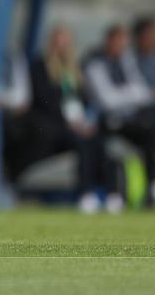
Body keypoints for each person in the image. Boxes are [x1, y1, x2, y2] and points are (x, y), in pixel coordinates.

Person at [27, 25, 120, 213]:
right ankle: (86, 193)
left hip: (77, 124)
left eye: (66, 41)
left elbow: (83, 102)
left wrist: (85, 121)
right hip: (53, 128)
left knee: (99, 141)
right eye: (58, 41)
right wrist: (70, 122)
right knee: (82, 143)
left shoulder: (74, 71)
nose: (62, 46)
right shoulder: (40, 67)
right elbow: (44, 101)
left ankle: (112, 194)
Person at [83, 24, 155, 202]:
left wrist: (131, 93)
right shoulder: (95, 64)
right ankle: (97, 192)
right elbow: (108, 100)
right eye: (118, 42)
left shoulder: (127, 63)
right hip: (104, 122)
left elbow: (140, 89)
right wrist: (133, 93)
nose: (121, 47)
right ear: (108, 41)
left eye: (123, 43)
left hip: (130, 120)